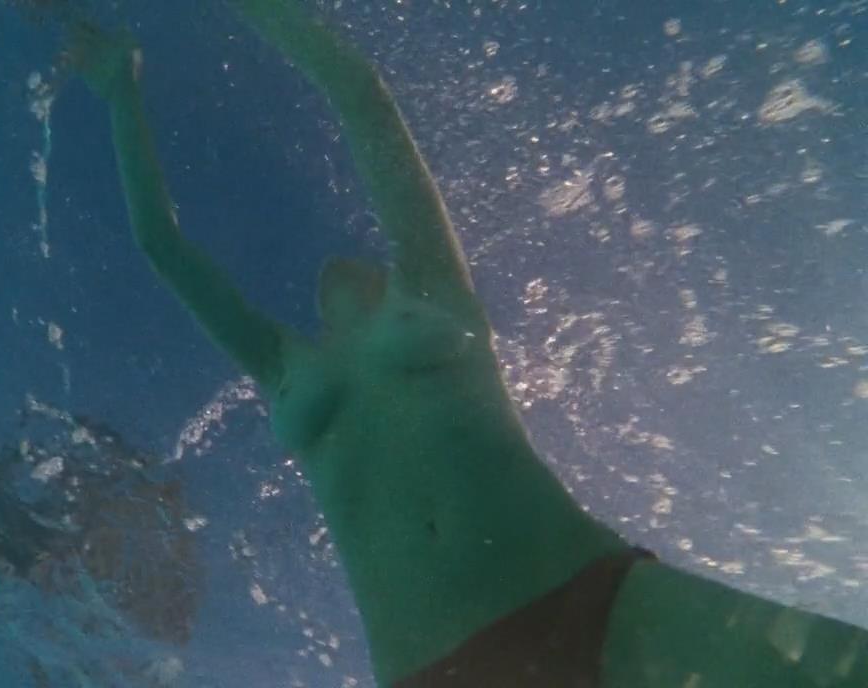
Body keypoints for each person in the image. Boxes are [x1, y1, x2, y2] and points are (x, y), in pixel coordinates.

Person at [65, 1, 868, 686]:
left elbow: (361, 95)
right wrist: (119, 89)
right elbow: (161, 247)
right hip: (430, 667)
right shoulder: (280, 365)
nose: (330, 269)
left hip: (597, 595)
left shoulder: (432, 292)